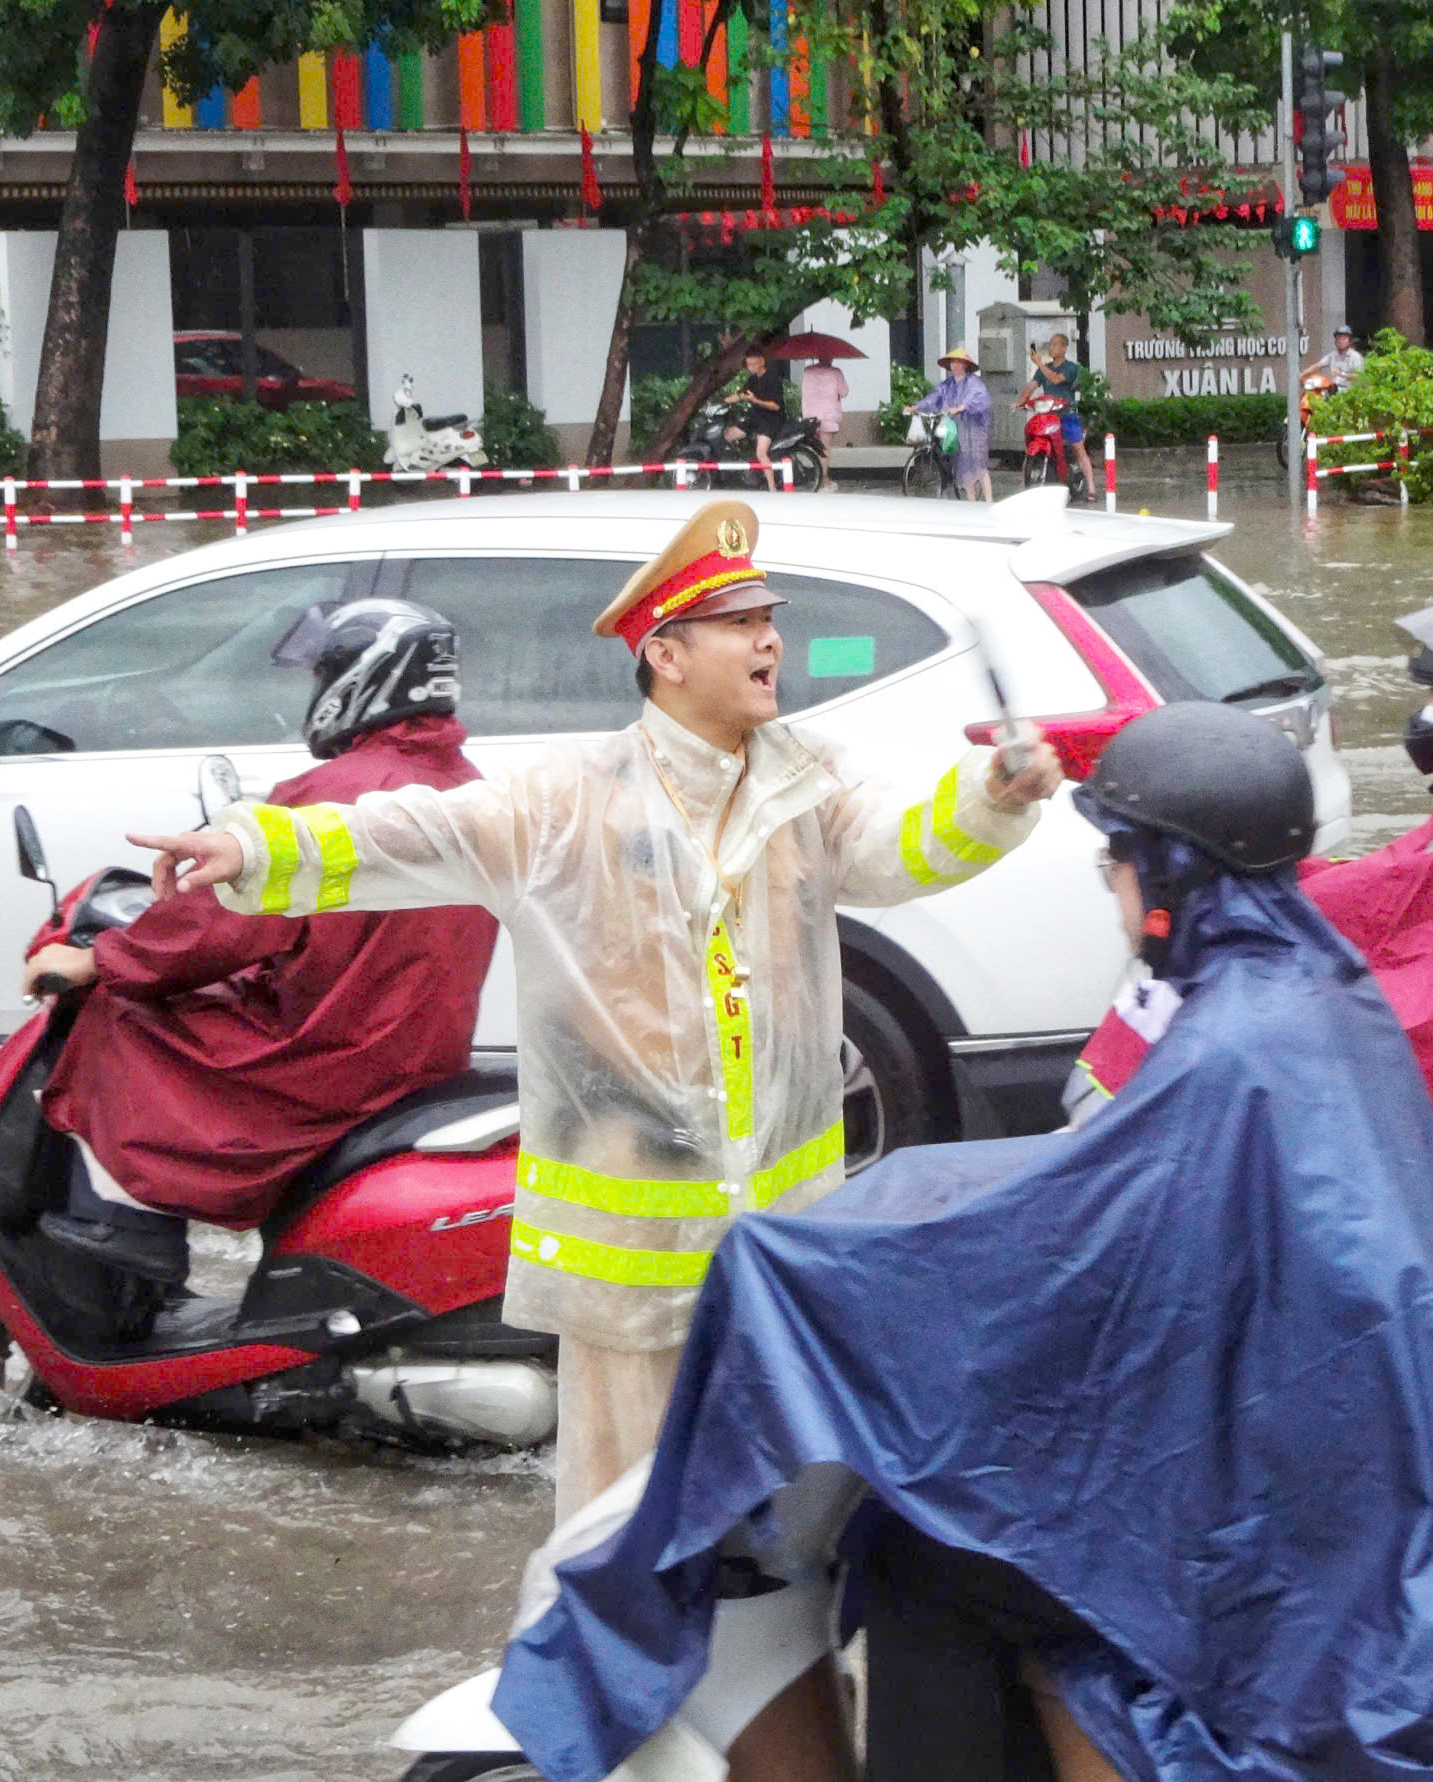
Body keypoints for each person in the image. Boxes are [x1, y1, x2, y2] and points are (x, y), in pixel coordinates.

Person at [481, 700, 1433, 1782]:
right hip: (1375, 1434)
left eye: (1116, 864)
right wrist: (916, 1199)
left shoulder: (1231, 1047)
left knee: (934, 1561)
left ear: (1165, 879)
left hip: (1290, 1493)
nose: (1113, 891)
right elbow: (1118, 1202)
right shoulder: (1308, 987)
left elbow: (1078, 1230)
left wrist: (818, 1263)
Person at [128, 498, 1063, 1526]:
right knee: (621, 1525)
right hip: (628, 1255)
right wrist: (254, 849)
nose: (769, 640)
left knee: (779, 1518)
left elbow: (901, 848)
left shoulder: (805, 778)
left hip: (780, 1242)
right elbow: (413, 832)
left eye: (769, 618)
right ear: (666, 653)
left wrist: (993, 795)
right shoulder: (569, 799)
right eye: (740, 623)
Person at [1067, 603, 1433, 1228]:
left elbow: (1411, 890)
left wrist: (1274, 896)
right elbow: (1417, 870)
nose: (1431, 709)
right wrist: (1317, 875)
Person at [23, 598, 500, 1290]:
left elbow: (219, 919)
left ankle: (128, 1225)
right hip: (412, 1048)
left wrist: (99, 959)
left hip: (328, 1049)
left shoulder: (337, 791)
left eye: (324, 674)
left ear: (363, 680)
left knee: (116, 1018)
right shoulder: (465, 788)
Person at [911, 345, 995, 501]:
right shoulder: (947, 384)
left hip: (975, 428)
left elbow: (978, 399)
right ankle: (971, 501)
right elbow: (933, 398)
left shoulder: (974, 382)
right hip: (957, 428)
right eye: (953, 362)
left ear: (965, 365)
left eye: (959, 362)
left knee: (978, 463)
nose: (955, 365)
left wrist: (962, 407)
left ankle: (989, 501)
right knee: (963, 464)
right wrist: (916, 407)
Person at [1023, 334, 1094, 491]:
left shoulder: (1070, 367)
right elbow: (1031, 386)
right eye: (1050, 344)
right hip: (1047, 417)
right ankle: (1024, 483)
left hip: (1066, 414)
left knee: (1078, 448)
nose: (1051, 348)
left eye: (1055, 345)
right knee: (1029, 445)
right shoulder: (1044, 369)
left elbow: (1056, 379)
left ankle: (1091, 488)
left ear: (1064, 348)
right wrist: (1021, 400)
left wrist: (1040, 364)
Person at [726, 345, 788, 476]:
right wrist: (725, 401)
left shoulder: (772, 378)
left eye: (754, 364)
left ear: (762, 361)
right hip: (755, 418)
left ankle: (772, 489)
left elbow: (775, 406)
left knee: (761, 453)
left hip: (771, 420)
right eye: (748, 364)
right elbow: (741, 394)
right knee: (727, 435)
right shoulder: (753, 379)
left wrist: (755, 401)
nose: (751, 367)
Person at [798, 351, 849, 475]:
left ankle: (816, 475)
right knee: (824, 449)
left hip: (810, 416)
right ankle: (823, 479)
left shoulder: (807, 371)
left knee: (815, 448)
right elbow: (844, 392)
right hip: (828, 416)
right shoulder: (836, 372)